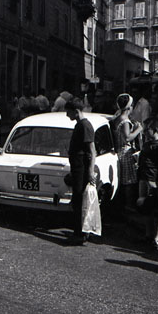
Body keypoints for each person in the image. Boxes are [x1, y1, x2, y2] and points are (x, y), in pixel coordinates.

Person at [64, 98, 97, 245]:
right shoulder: (80, 125)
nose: (67, 115)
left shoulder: (85, 126)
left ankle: (80, 233)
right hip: (77, 168)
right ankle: (81, 231)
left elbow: (92, 151)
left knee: (79, 201)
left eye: (68, 112)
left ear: (76, 111)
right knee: (77, 200)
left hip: (82, 168)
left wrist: (90, 171)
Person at [136, 118, 158, 250]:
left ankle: (157, 238)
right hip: (144, 177)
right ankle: (148, 234)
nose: (144, 131)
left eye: (147, 128)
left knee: (157, 208)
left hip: (154, 180)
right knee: (145, 207)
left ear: (155, 130)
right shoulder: (147, 144)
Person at [114, 94, 143, 211]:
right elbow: (127, 137)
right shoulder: (125, 121)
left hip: (118, 150)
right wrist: (138, 129)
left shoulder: (116, 117)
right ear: (129, 107)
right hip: (125, 152)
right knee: (129, 181)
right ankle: (129, 205)